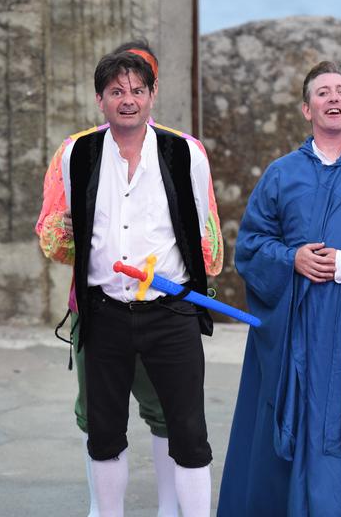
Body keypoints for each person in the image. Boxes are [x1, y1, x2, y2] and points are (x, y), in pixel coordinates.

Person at [218, 61, 341, 516]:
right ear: (307, 109)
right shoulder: (281, 174)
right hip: (298, 331)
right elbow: (251, 245)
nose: (333, 97)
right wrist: (291, 258)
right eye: (323, 92)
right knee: (298, 425)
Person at [36, 41, 222, 516]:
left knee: (189, 434)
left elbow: (205, 234)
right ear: (100, 99)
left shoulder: (186, 153)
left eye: (138, 90)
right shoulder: (75, 154)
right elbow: (60, 235)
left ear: (152, 95)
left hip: (172, 313)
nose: (128, 100)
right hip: (104, 314)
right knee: (104, 435)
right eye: (117, 91)